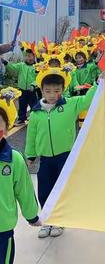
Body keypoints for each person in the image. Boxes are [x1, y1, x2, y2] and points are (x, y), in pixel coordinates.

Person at [25, 68, 98, 238]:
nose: (52, 94)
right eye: (48, 91)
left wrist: (98, 83)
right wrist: (30, 155)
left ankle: (59, 221)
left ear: (63, 90)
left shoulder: (71, 105)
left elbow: (88, 100)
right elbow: (32, 136)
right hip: (45, 159)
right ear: (41, 90)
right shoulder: (36, 113)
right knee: (44, 190)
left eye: (57, 91)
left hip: (64, 157)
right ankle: (47, 220)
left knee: (61, 190)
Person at [0, 89, 41, 264]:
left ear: (6, 128)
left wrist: (32, 215)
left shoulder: (13, 159)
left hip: (2, 228)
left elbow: (24, 189)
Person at [3, 49, 37, 126]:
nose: (29, 58)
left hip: (32, 90)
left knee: (34, 105)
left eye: (31, 56)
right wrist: (6, 63)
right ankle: (21, 119)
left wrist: (33, 85)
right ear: (25, 57)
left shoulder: (36, 67)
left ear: (34, 57)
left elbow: (38, 78)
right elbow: (13, 68)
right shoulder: (21, 65)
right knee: (22, 105)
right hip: (22, 90)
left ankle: (34, 119)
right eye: (27, 56)